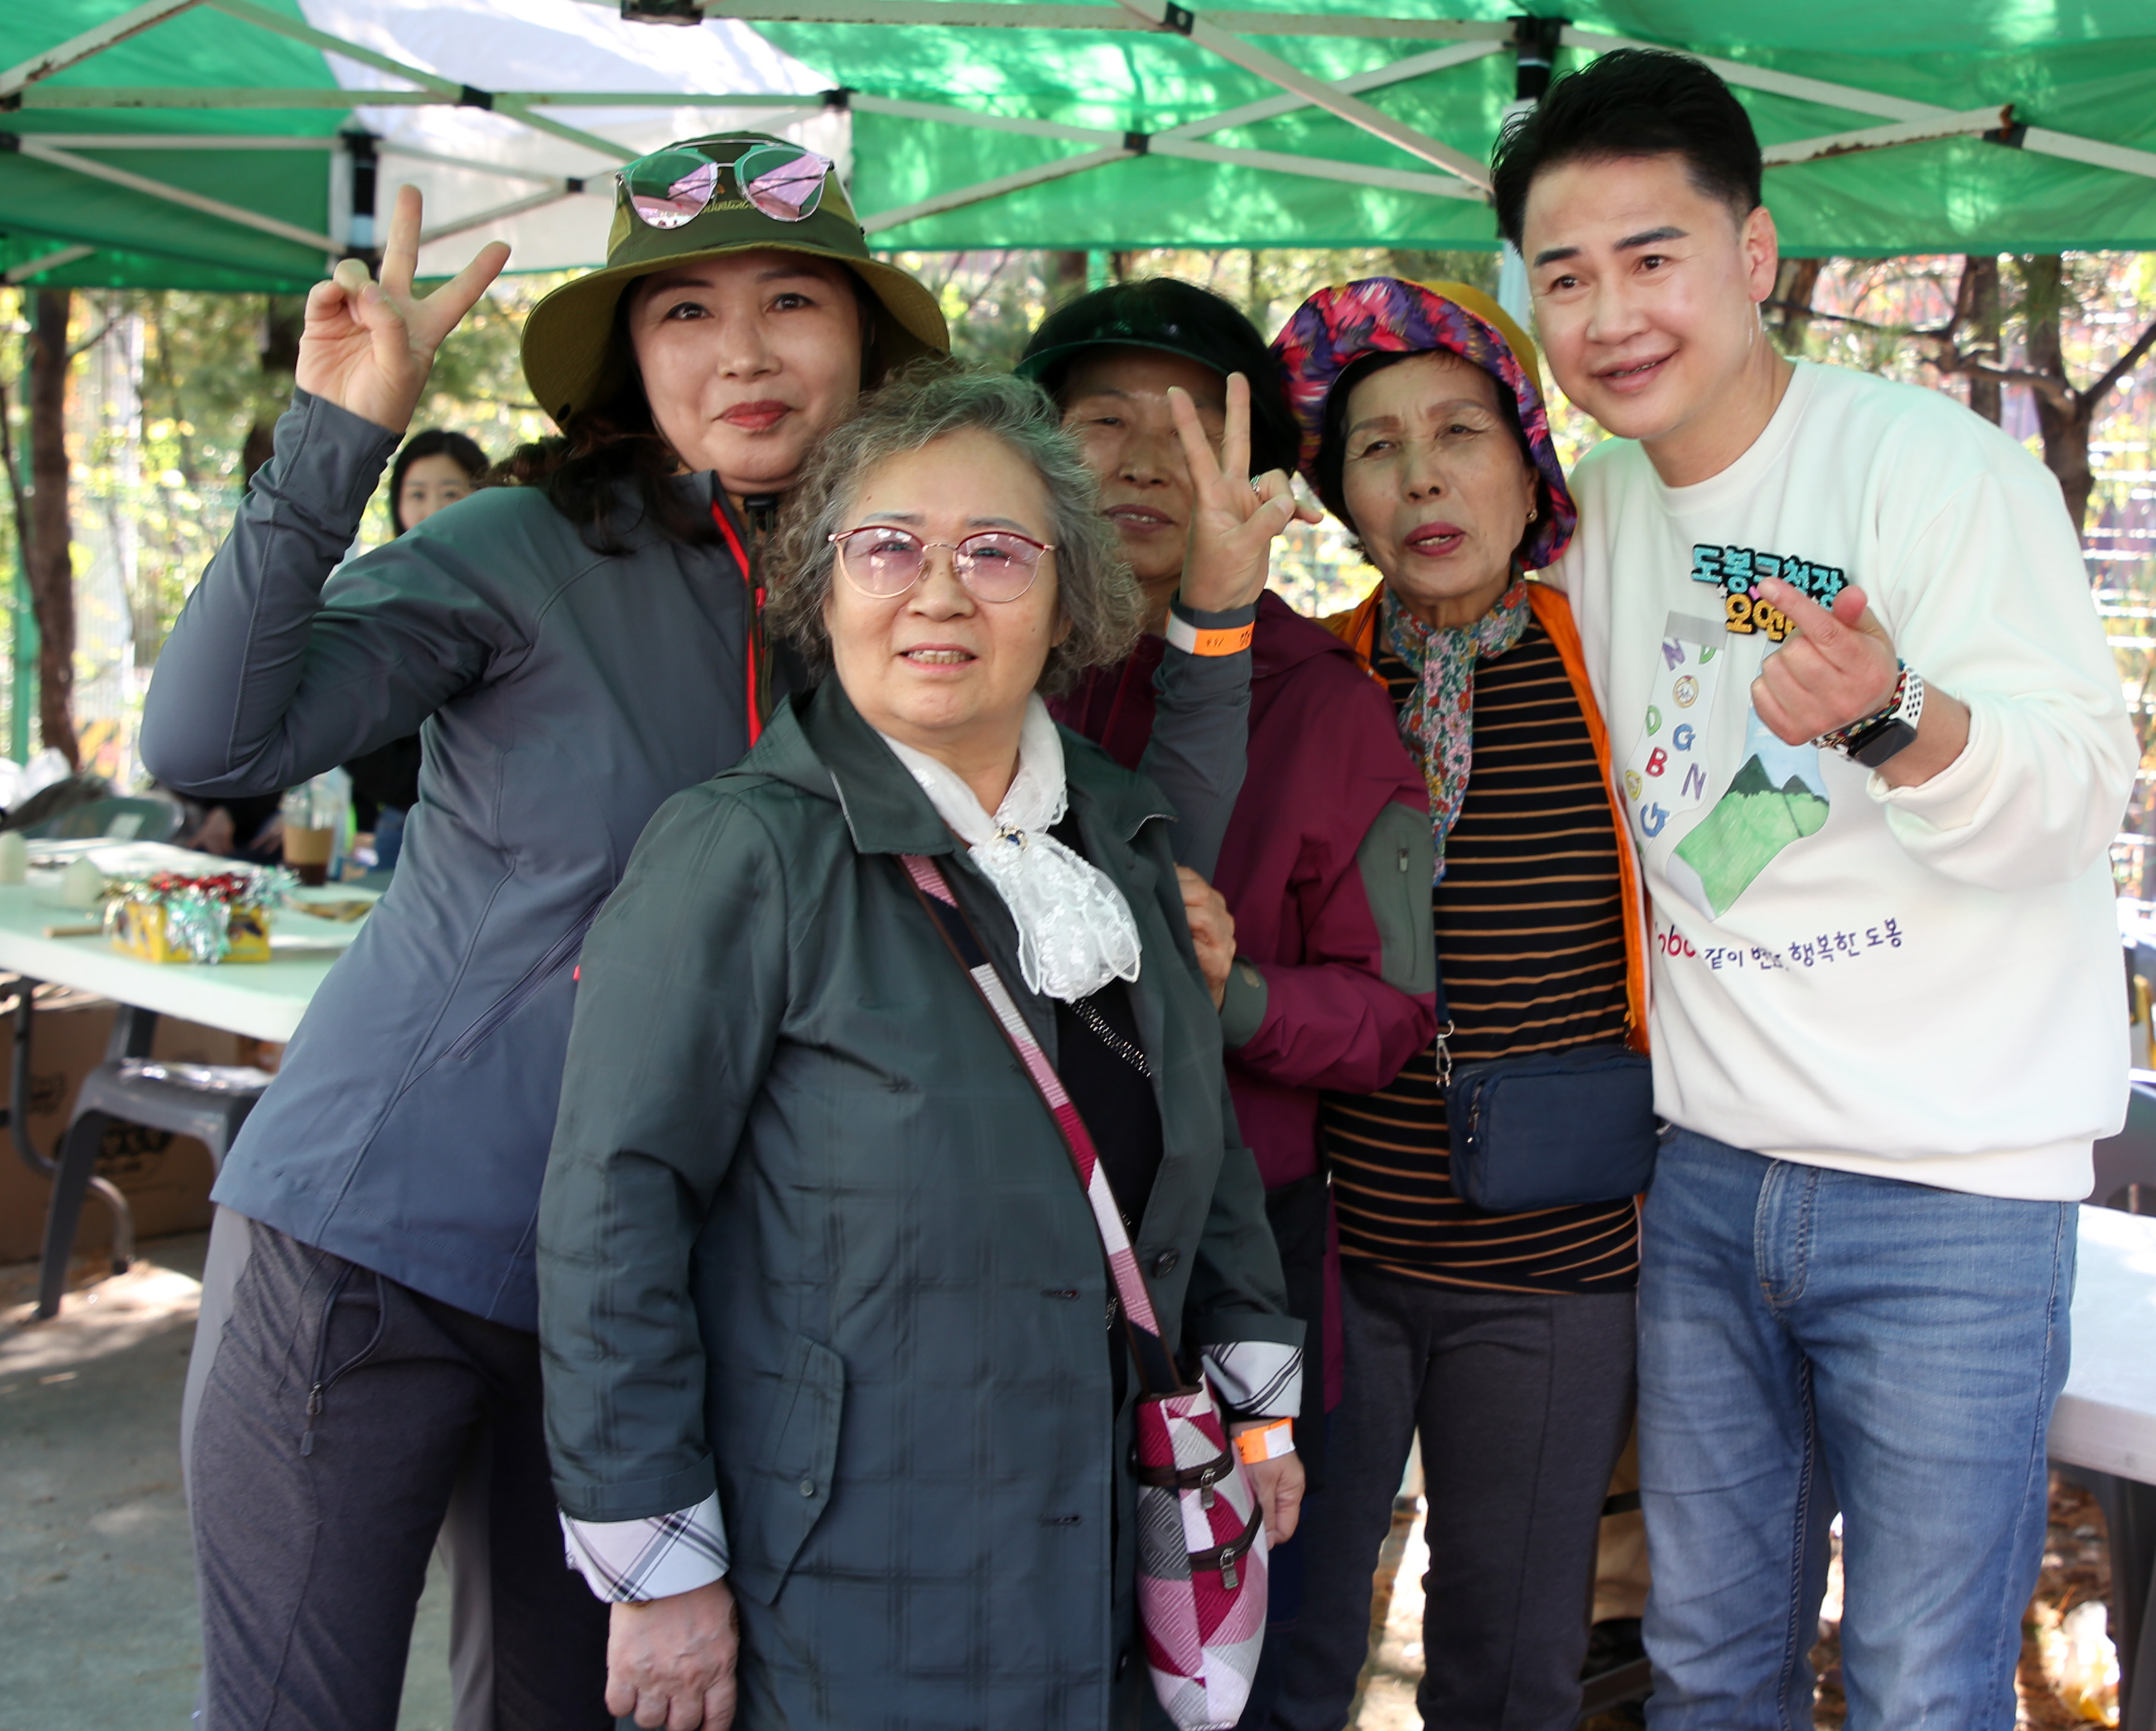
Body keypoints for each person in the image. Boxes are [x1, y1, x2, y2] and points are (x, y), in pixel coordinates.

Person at [144, 134, 953, 1730]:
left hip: (636, 1315)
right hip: (367, 1250)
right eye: (682, 313)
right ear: (627, 364)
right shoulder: (523, 549)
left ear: (864, 339)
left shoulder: (894, 607)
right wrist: (336, 440)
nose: (742, 350)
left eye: (793, 297)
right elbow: (207, 748)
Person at [1499, 49, 2138, 1727]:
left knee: (1926, 1687)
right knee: (1710, 1664)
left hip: (1950, 1199)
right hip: (1708, 1185)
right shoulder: (1608, 508)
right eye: (1567, 276)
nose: (1613, 313)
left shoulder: (1936, 476)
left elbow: (2079, 798)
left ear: (1756, 255)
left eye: (1655, 258)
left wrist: (1892, 716)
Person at [536, 363, 1309, 1730]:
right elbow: (612, 1209)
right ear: (821, 587)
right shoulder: (743, 849)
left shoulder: (1117, 831)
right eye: (887, 546)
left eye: (996, 552)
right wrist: (655, 1575)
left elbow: (1204, 1145)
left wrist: (1257, 1405)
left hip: (1100, 1545)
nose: (938, 591)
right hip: (847, 1576)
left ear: (1069, 600)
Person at [1018, 278, 1438, 1725]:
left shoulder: (1328, 703)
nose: (1145, 460)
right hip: (1006, 1249)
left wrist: (1236, 992)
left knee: (1239, 1660)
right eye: (1103, 423)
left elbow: (1394, 1014)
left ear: (1260, 483)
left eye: (1194, 430)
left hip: (1240, 1262)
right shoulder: (967, 669)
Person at [1266, 277, 1643, 1731]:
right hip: (1343, 1266)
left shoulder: (1611, 660)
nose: (1422, 474)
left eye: (1459, 434)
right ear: (1339, 494)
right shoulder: (1312, 683)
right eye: (1375, 447)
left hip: (1555, 1270)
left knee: (1509, 1663)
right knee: (1297, 1647)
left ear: (1529, 462)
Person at [346, 429, 492, 866]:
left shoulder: (513, 588)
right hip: (408, 824)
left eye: (451, 493)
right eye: (418, 494)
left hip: (494, 831)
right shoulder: (381, 591)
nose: (433, 510)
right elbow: (355, 715)